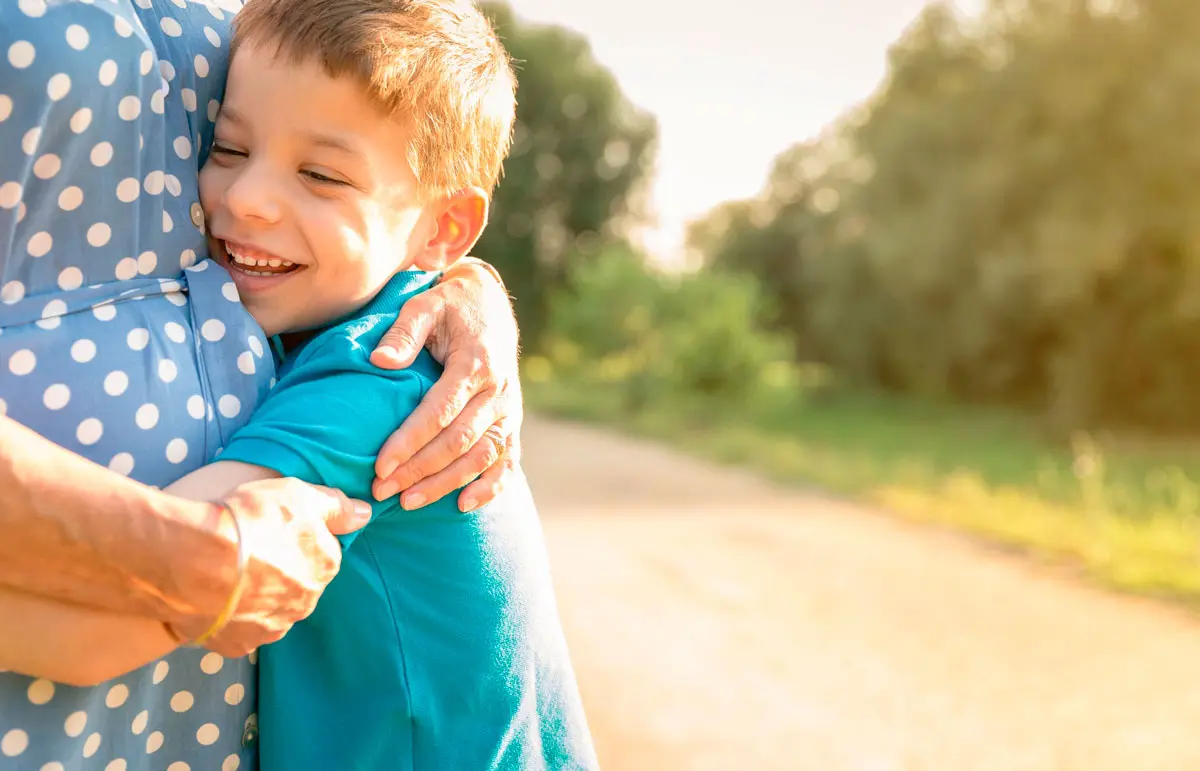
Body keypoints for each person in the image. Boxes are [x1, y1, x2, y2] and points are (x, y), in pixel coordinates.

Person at [5, 0, 598, 767]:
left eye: (319, 174)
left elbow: (100, 630)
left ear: (443, 231)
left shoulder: (378, 382)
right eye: (227, 147)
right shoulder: (326, 330)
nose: (248, 197)